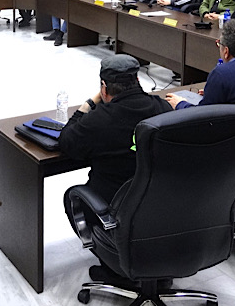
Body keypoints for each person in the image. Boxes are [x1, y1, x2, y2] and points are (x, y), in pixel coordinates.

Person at [59, 54, 173, 205]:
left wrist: (87, 105)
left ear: (104, 88)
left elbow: (66, 142)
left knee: (71, 199)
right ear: (138, 80)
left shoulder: (98, 120)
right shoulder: (163, 108)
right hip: (154, 204)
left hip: (110, 205)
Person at [165, 19, 235, 124]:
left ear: (226, 51)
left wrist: (180, 104)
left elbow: (202, 118)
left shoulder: (222, 73)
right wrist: (215, 92)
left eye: (219, 44)